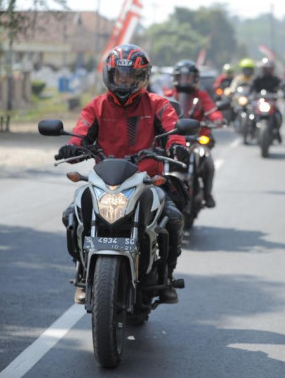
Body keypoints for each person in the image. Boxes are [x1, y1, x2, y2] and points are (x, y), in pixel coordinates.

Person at [58, 44, 188, 304]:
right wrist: (73, 146)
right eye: (120, 75)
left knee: (173, 218)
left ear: (142, 78)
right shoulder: (96, 107)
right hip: (105, 181)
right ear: (110, 75)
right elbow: (82, 131)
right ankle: (83, 273)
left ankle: (167, 276)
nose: (125, 81)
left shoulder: (158, 105)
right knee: (72, 215)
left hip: (146, 180)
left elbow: (174, 130)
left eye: (131, 76)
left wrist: (177, 146)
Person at [171, 59, 225, 209]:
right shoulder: (169, 95)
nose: (185, 81)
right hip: (175, 137)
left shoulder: (201, 95)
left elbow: (212, 111)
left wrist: (218, 120)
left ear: (194, 79)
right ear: (175, 78)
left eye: (188, 77)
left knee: (208, 163)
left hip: (197, 137)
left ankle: (207, 194)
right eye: (182, 77)